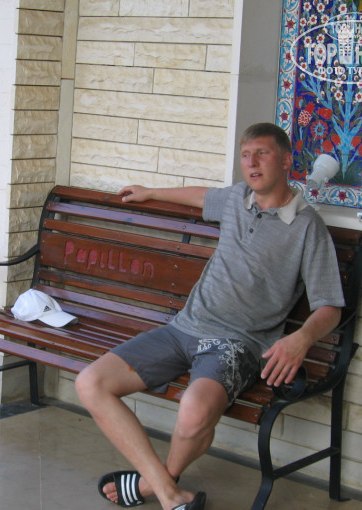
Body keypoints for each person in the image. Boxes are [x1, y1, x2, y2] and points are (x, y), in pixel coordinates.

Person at [74, 123, 344, 510]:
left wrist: (300, 338)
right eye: (246, 155)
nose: (252, 163)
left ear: (286, 161)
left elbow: (330, 306)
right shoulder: (237, 198)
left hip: (237, 343)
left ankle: (155, 486)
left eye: (262, 154)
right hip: (184, 327)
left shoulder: (307, 227)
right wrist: (151, 192)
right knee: (90, 383)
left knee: (194, 410)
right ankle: (167, 492)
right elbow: (201, 196)